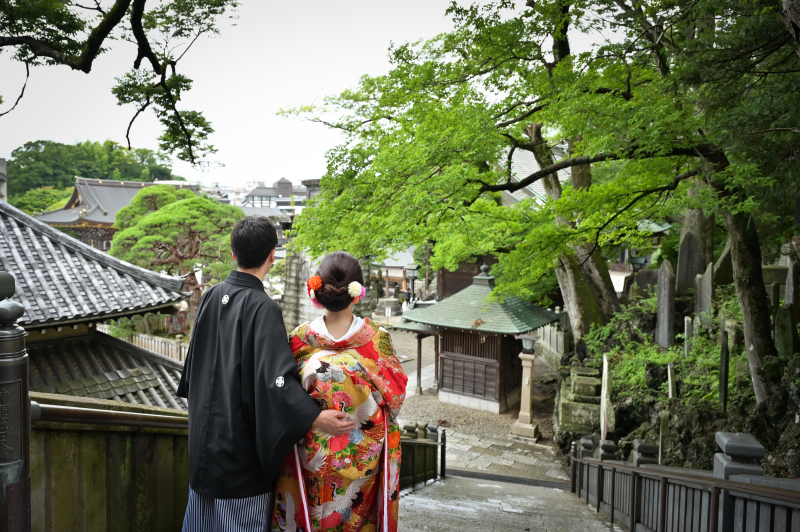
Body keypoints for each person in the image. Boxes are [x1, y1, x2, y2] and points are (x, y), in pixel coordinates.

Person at [177, 216, 355, 532]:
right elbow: (276, 382)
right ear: (273, 255)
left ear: (234, 254)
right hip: (238, 457)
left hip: (202, 447)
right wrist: (315, 417)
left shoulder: (211, 296)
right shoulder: (263, 307)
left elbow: (193, 370)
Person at [271, 251, 408, 532]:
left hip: (310, 458)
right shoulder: (376, 341)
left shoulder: (299, 341)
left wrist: (313, 416)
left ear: (316, 290)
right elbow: (395, 398)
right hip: (363, 462)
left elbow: (281, 396)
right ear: (357, 294)